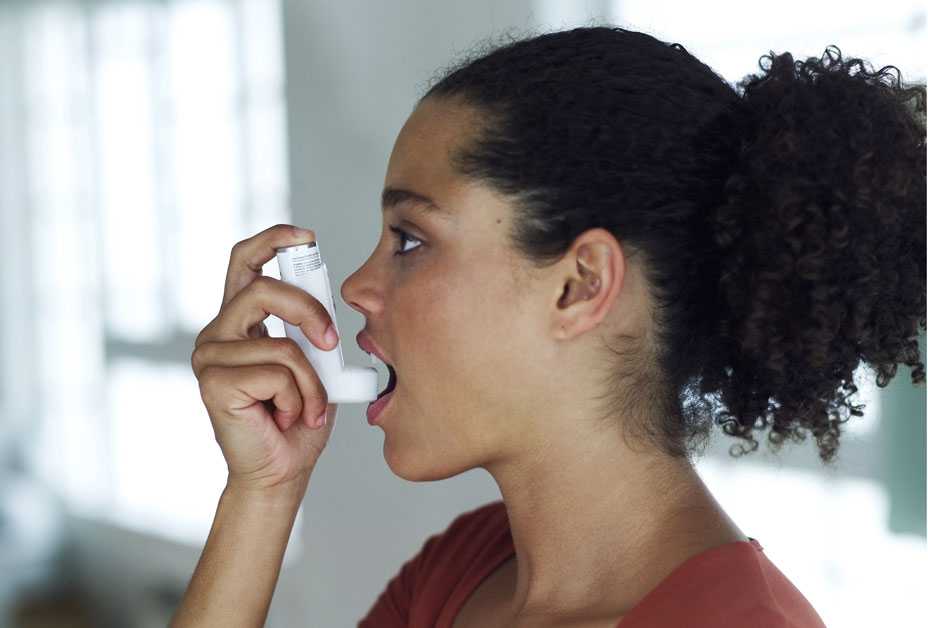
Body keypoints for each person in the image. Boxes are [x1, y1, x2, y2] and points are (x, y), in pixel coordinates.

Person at [170, 25, 926, 628]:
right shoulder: (458, 574)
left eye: (410, 239)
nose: (361, 287)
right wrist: (263, 493)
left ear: (580, 284)